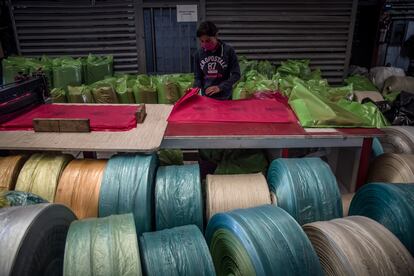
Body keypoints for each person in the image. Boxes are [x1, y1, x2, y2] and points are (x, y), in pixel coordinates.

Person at [194, 21, 241, 100]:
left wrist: (220, 87)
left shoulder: (228, 51)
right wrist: (195, 90)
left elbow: (236, 75)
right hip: (206, 99)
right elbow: (198, 77)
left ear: (216, 36)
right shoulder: (198, 54)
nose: (205, 44)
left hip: (225, 98)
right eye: (202, 41)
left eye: (208, 41)